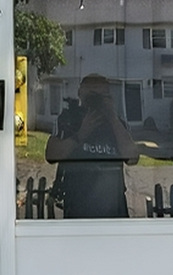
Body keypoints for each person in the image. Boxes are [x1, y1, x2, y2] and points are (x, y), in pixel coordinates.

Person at [47, 72, 136, 217]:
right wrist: (81, 133)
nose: (95, 101)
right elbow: (51, 155)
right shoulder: (68, 119)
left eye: (100, 97)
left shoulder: (118, 124)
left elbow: (133, 158)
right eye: (92, 95)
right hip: (78, 206)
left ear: (109, 97)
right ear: (80, 93)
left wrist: (112, 117)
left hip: (113, 208)